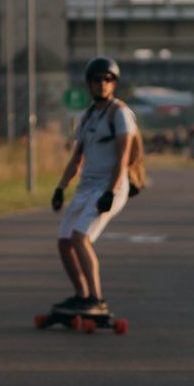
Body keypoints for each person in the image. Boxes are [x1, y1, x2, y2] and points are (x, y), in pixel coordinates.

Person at [48, 56, 140, 313]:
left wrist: (111, 192)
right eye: (97, 79)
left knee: (80, 237)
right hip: (85, 188)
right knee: (64, 241)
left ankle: (97, 300)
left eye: (108, 79)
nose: (102, 83)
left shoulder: (120, 114)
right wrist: (60, 187)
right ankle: (82, 294)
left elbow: (123, 155)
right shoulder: (88, 116)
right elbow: (77, 156)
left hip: (109, 187)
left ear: (114, 84)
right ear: (89, 83)